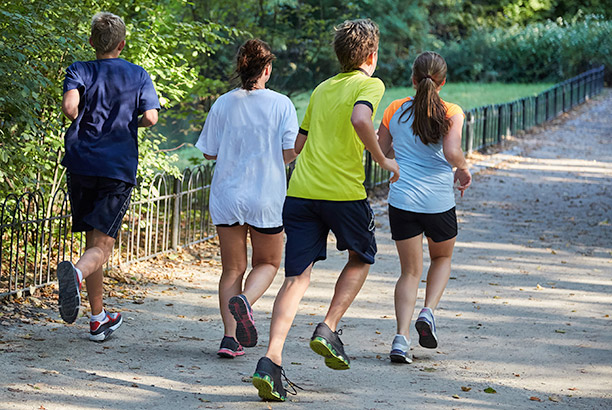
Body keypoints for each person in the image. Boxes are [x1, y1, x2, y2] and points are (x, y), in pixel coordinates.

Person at [252, 19, 399, 401]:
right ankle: (328, 327)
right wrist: (382, 159)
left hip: (300, 193)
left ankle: (271, 361)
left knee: (296, 278)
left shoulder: (321, 88)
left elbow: (298, 144)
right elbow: (360, 118)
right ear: (371, 55)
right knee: (362, 256)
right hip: (343, 193)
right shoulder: (370, 83)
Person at [57, 12, 160, 342]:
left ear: (91, 42)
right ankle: (75, 273)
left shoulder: (79, 69)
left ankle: (98, 318)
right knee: (102, 245)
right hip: (116, 166)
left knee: (92, 240)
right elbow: (151, 118)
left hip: (81, 163)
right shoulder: (138, 74)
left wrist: (83, 112)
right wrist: (132, 123)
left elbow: (70, 109)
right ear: (122, 43)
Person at [195, 39, 299, 359]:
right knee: (267, 263)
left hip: (227, 194)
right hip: (265, 194)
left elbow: (210, 151)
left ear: (240, 68)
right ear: (267, 69)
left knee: (232, 269)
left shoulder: (222, 104)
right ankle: (246, 302)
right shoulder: (282, 104)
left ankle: (230, 339)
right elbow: (289, 151)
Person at [376, 51, 471, 364]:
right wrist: (463, 168)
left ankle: (400, 340)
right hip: (438, 203)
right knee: (441, 257)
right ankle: (428, 312)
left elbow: (382, 149)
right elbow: (452, 150)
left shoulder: (394, 109)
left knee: (409, 272)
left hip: (402, 201)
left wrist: (393, 162)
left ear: (413, 80)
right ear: (442, 83)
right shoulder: (452, 111)